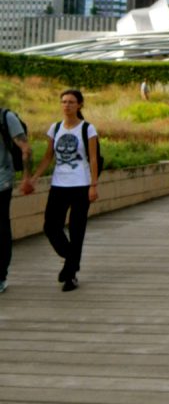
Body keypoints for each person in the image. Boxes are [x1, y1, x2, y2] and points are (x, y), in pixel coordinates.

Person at [28, 89, 99, 292]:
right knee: (51, 227)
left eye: (71, 102)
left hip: (81, 185)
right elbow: (48, 157)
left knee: (77, 230)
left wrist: (94, 185)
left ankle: (70, 275)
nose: (66, 105)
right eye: (63, 102)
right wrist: (34, 178)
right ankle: (71, 259)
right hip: (59, 185)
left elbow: (93, 158)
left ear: (79, 105)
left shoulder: (88, 129)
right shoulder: (55, 128)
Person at [0, 108, 32, 293]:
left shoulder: (6, 117)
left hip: (2, 181)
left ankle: (1, 276)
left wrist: (26, 177)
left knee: (1, 228)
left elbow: (25, 148)